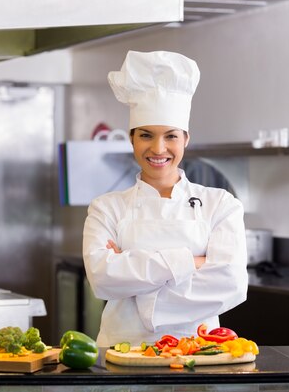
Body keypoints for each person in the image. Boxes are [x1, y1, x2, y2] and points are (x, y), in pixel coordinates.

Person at [82, 50, 249, 348]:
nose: (158, 149)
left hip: (199, 352)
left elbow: (230, 285)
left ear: (186, 139)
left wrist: (135, 284)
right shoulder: (106, 208)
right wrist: (191, 261)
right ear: (131, 138)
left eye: (171, 136)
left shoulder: (221, 204)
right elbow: (102, 279)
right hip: (122, 353)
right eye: (146, 135)